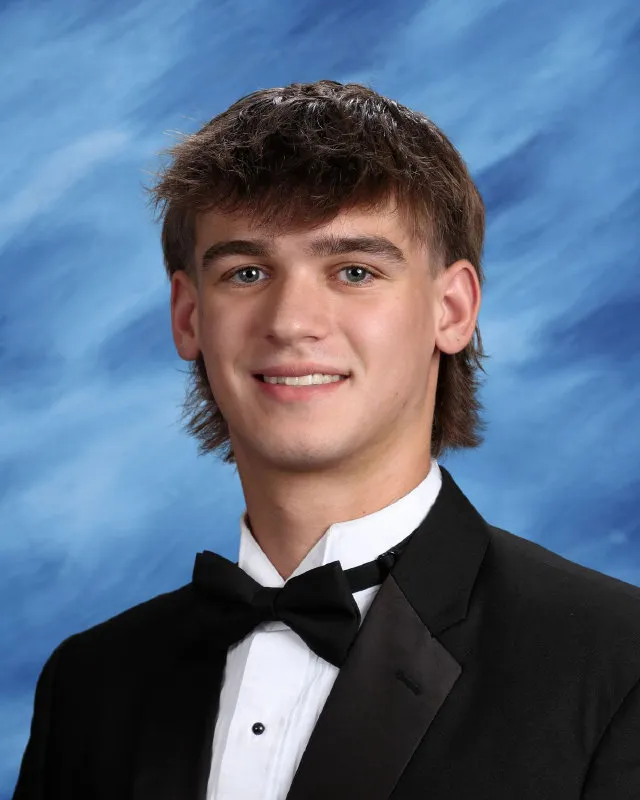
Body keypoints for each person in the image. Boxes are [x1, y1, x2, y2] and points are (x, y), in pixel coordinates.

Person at [12, 80, 640, 800]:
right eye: (247, 272)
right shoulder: (90, 684)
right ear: (189, 316)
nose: (291, 321)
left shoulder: (619, 665)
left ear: (453, 309)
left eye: (353, 271)